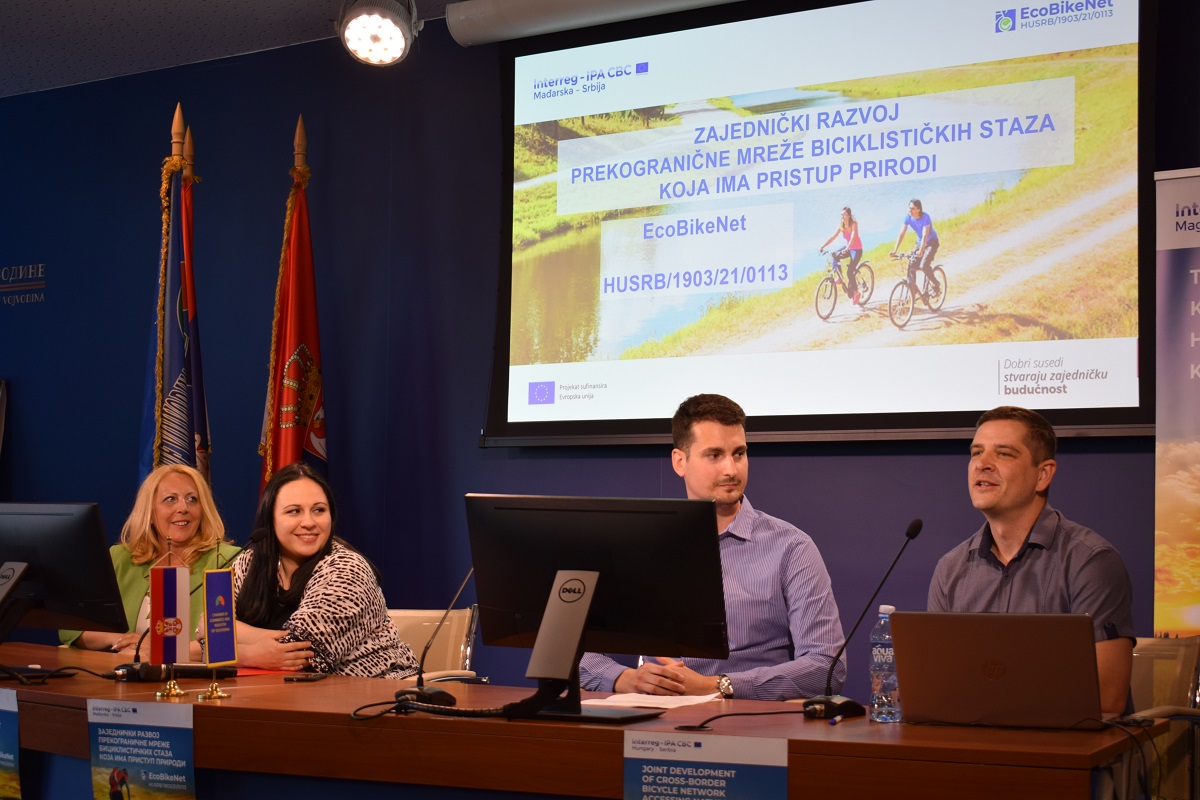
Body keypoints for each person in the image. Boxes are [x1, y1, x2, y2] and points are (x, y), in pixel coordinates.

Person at [578, 394, 846, 701]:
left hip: (746, 717)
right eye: (715, 455)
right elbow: (573, 651)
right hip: (654, 715)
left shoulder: (791, 548)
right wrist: (626, 679)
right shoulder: (640, 546)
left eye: (739, 454)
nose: (731, 469)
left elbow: (826, 667)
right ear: (680, 461)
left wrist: (719, 685)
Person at [928, 406, 1134, 716]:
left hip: (1069, 744)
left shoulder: (1090, 561)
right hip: (974, 739)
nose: (982, 464)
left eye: (1004, 454)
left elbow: (1107, 696)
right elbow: (935, 685)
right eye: (976, 452)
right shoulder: (951, 569)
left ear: (1043, 475)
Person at [232, 462, 419, 678]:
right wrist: (248, 649)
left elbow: (301, 654)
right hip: (288, 691)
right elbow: (209, 631)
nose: (309, 522)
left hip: (378, 690)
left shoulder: (347, 570)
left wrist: (239, 651)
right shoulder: (249, 563)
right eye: (294, 511)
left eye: (319, 510)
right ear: (270, 518)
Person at [60, 464, 240, 656]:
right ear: (150, 512)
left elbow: (231, 641)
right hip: (122, 668)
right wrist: (122, 640)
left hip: (190, 673)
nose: (183, 508)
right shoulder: (121, 558)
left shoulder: (226, 561)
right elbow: (71, 628)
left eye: (192, 499)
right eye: (170, 499)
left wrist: (159, 648)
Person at [890, 198, 941, 298]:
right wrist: (895, 250)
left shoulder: (925, 217)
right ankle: (913, 290)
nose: (910, 210)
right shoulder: (908, 217)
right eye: (909, 208)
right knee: (911, 265)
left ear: (918, 209)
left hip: (931, 242)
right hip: (919, 243)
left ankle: (936, 285)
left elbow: (925, 235)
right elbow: (902, 234)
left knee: (924, 266)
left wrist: (921, 250)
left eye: (912, 208)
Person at [819, 206, 864, 305]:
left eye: (844, 214)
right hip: (848, 248)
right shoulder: (842, 225)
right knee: (834, 255)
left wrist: (848, 247)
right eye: (841, 214)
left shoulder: (854, 224)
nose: (842, 216)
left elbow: (853, 236)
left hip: (856, 250)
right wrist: (823, 246)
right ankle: (840, 276)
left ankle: (856, 292)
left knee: (850, 272)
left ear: (849, 215)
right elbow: (833, 237)